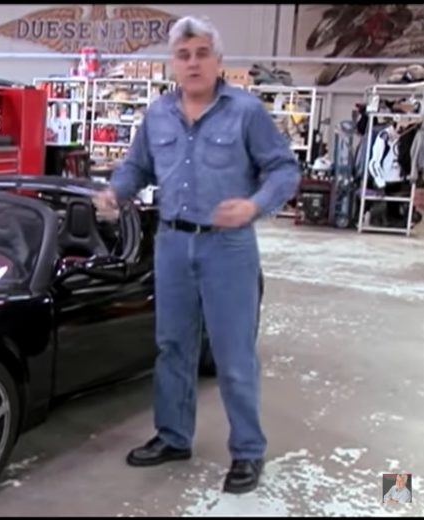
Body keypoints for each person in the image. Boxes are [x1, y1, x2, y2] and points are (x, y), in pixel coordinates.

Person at [93, 16, 300, 494]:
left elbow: (284, 170)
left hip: (227, 247)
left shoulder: (245, 112)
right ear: (173, 63)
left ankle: (247, 451)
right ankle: (173, 436)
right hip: (171, 243)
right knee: (172, 347)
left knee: (232, 355)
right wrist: (114, 193)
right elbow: (137, 167)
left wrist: (253, 205)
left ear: (218, 60)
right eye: (183, 55)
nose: (192, 63)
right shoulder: (158, 114)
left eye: (201, 53)